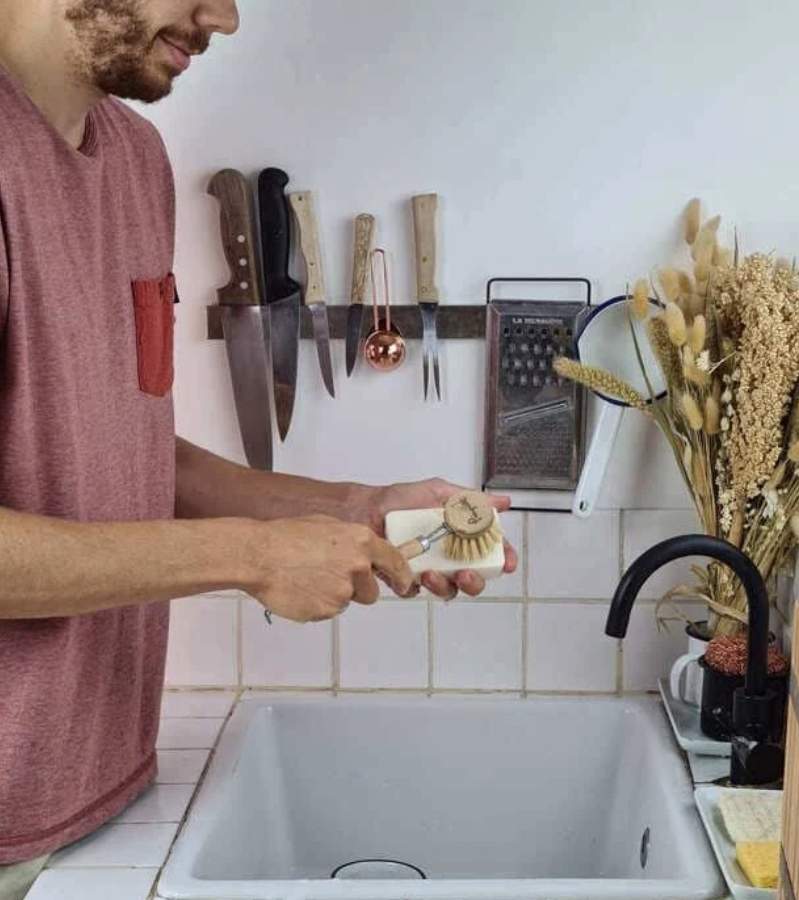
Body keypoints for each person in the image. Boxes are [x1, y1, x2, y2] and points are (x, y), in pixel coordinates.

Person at [0, 2, 518, 896]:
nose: (225, 18)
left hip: (109, 787)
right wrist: (250, 555)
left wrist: (354, 510)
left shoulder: (135, 161)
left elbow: (129, 453)